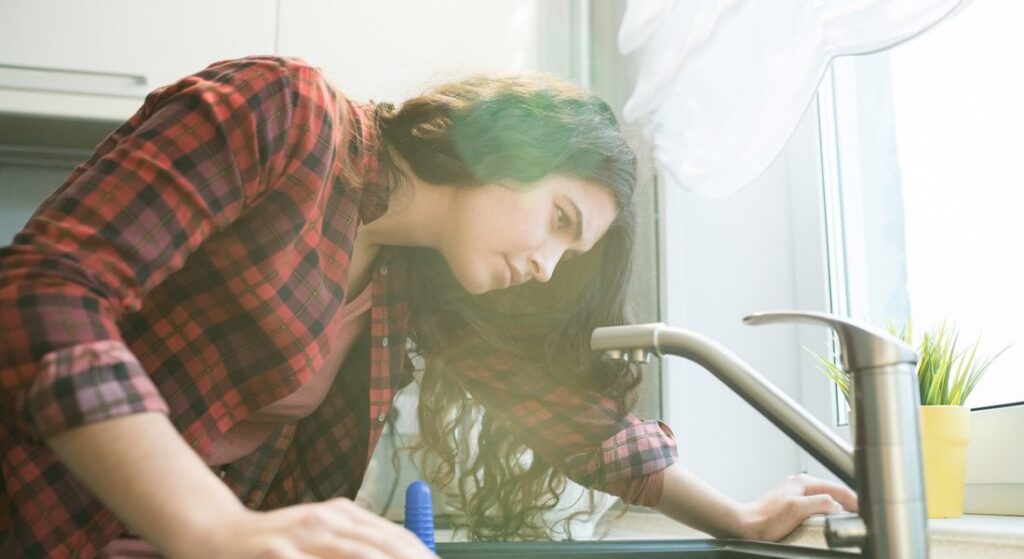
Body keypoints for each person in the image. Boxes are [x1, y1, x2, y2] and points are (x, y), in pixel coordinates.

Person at [0, 55, 857, 558]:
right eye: (559, 220)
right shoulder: (287, 113)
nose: (548, 265)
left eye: (573, 254)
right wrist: (213, 525)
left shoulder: (414, 284)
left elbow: (575, 423)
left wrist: (739, 517)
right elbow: (45, 291)